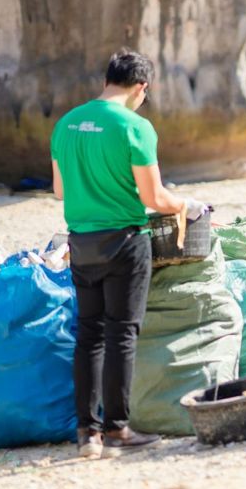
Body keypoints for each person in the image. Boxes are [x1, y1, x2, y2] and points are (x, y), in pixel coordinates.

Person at [51, 49, 207, 459]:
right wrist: (184, 205)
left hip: (80, 243)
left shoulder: (66, 124)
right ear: (142, 88)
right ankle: (117, 430)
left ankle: (88, 434)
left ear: (107, 81)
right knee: (121, 333)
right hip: (124, 242)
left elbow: (60, 191)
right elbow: (152, 196)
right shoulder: (135, 127)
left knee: (88, 335)